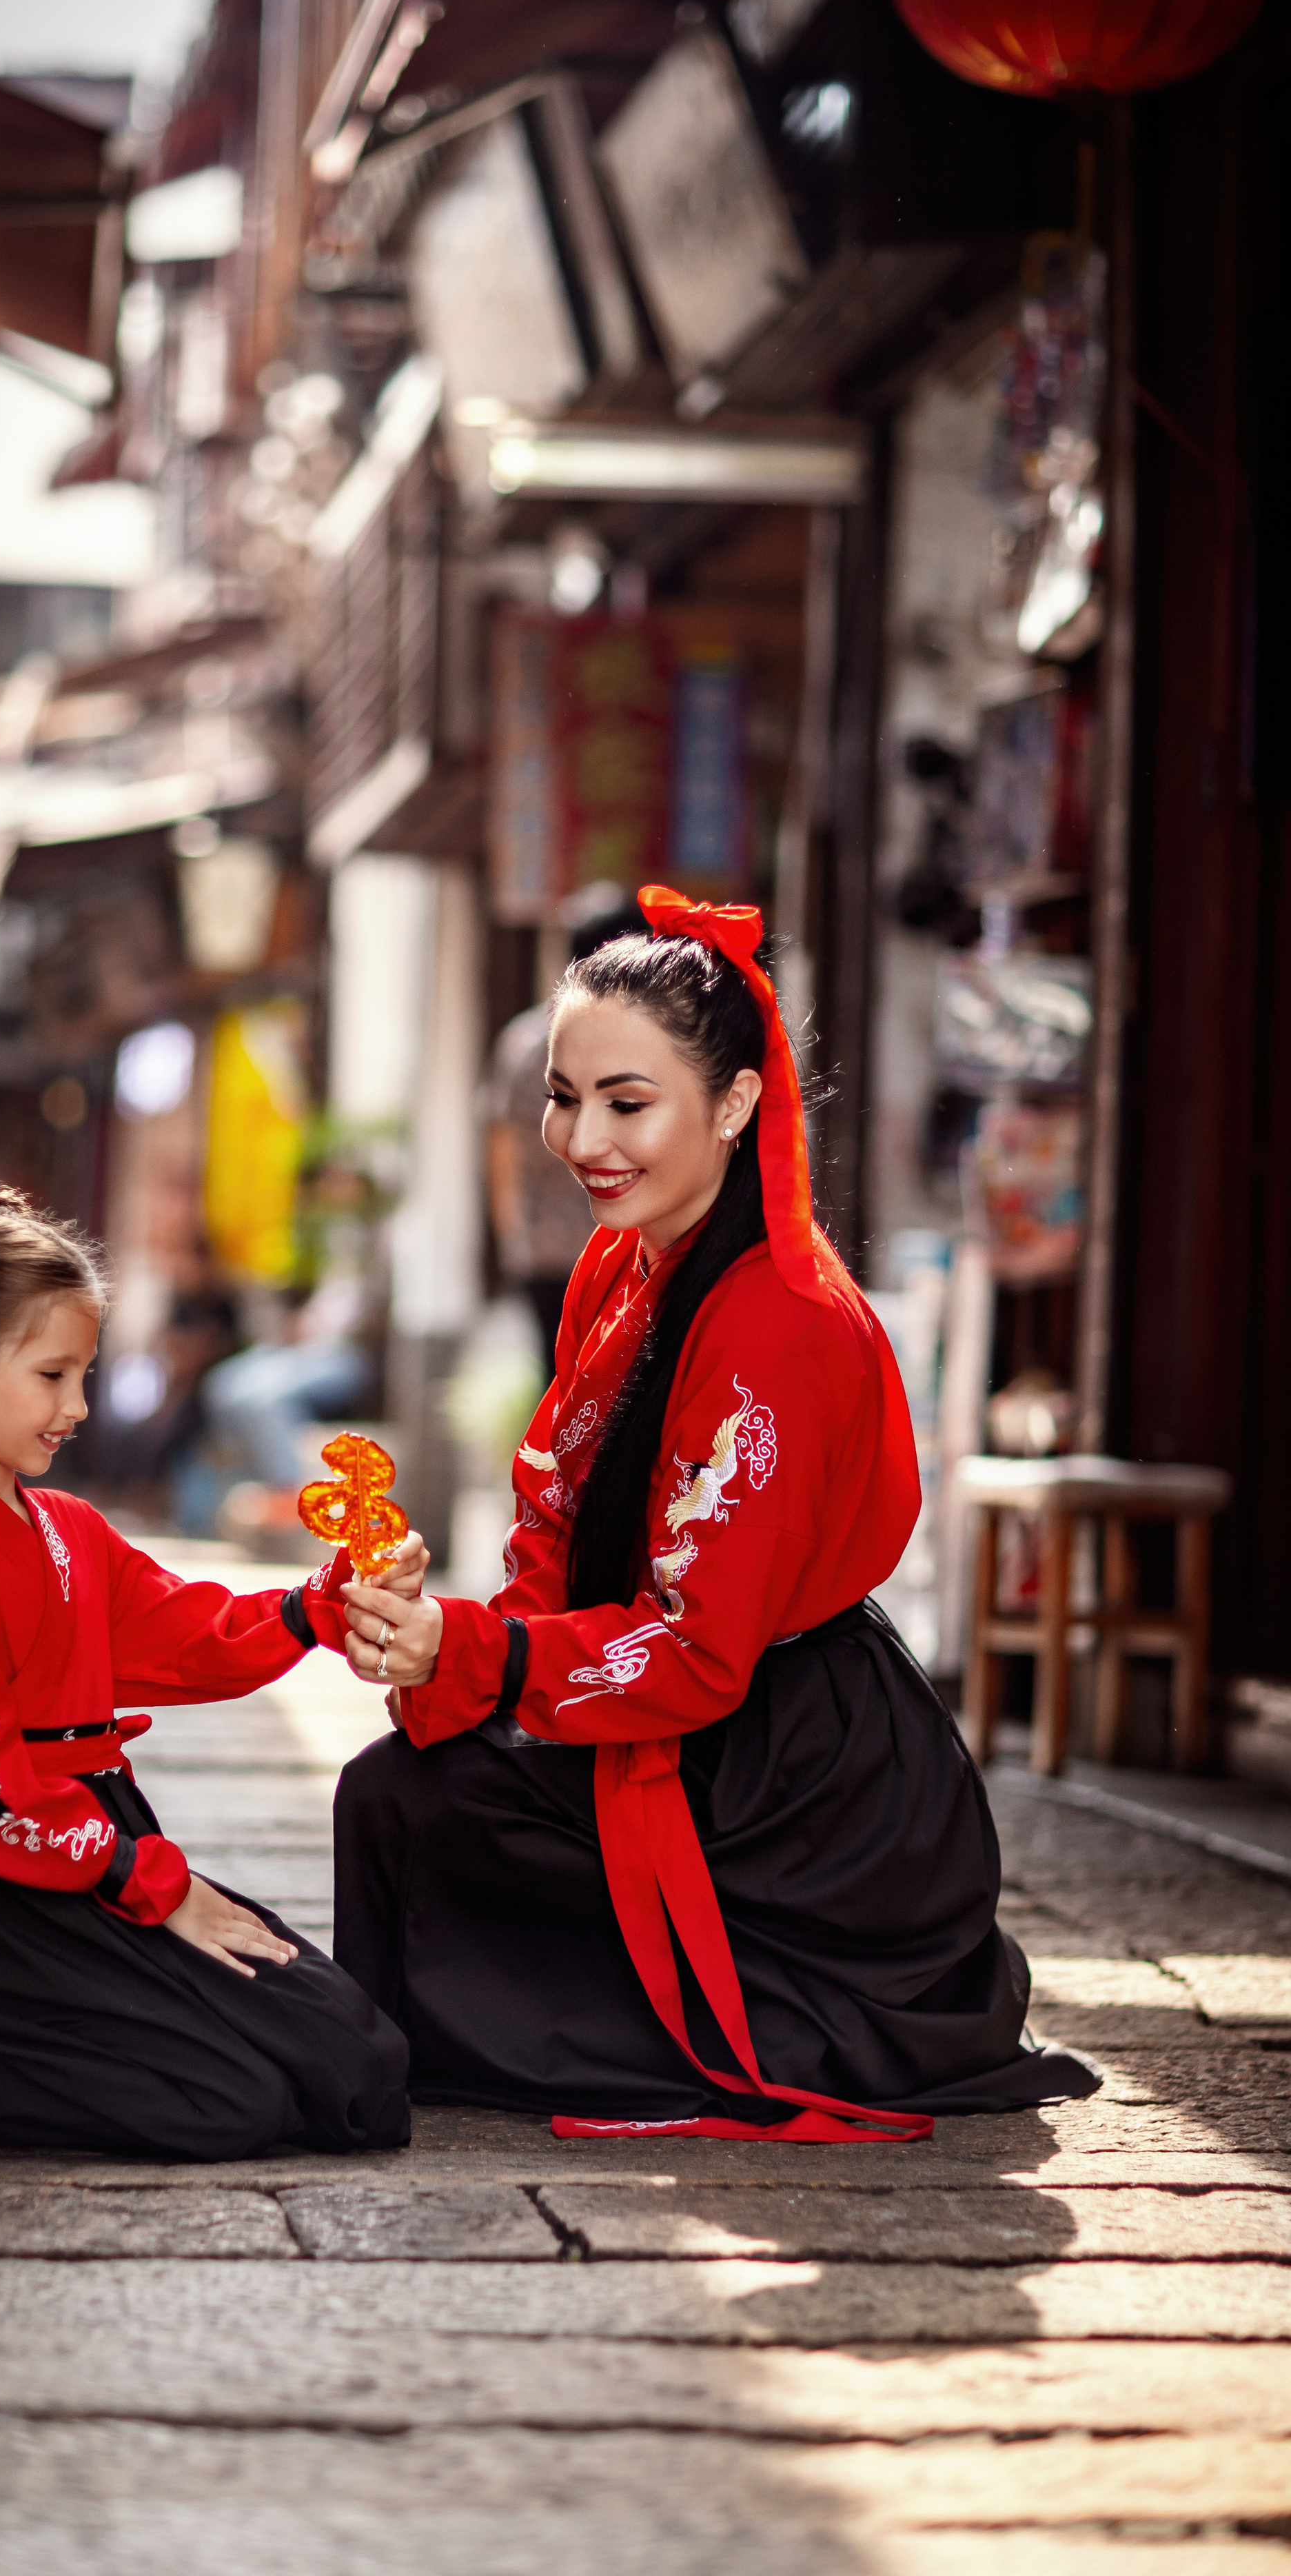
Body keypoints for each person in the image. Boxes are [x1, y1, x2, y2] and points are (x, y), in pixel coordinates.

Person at [321, 889, 1099, 2142]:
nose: (582, 1138)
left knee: (419, 1810)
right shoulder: (626, 1269)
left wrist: (485, 1656)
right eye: (565, 1098)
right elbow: (556, 1532)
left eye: (629, 1103)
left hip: (798, 1782)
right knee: (407, 1790)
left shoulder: (776, 1322)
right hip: (703, 1712)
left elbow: (697, 1651)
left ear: (735, 1105)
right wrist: (448, 1637)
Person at [0, 1186, 416, 2164]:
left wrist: (323, 1604)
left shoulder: (67, 1530)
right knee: (233, 2104)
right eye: (53, 1375)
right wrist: (150, 1880)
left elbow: (188, 1634)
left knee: (359, 2064)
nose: (79, 1408)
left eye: (83, 1375)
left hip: (100, 1849)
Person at [482, 899, 649, 1380]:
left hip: (546, 1253)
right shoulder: (643, 1039)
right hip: (622, 1249)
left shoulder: (526, 1040)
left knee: (561, 1387)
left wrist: (513, 1239)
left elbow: (501, 1146)